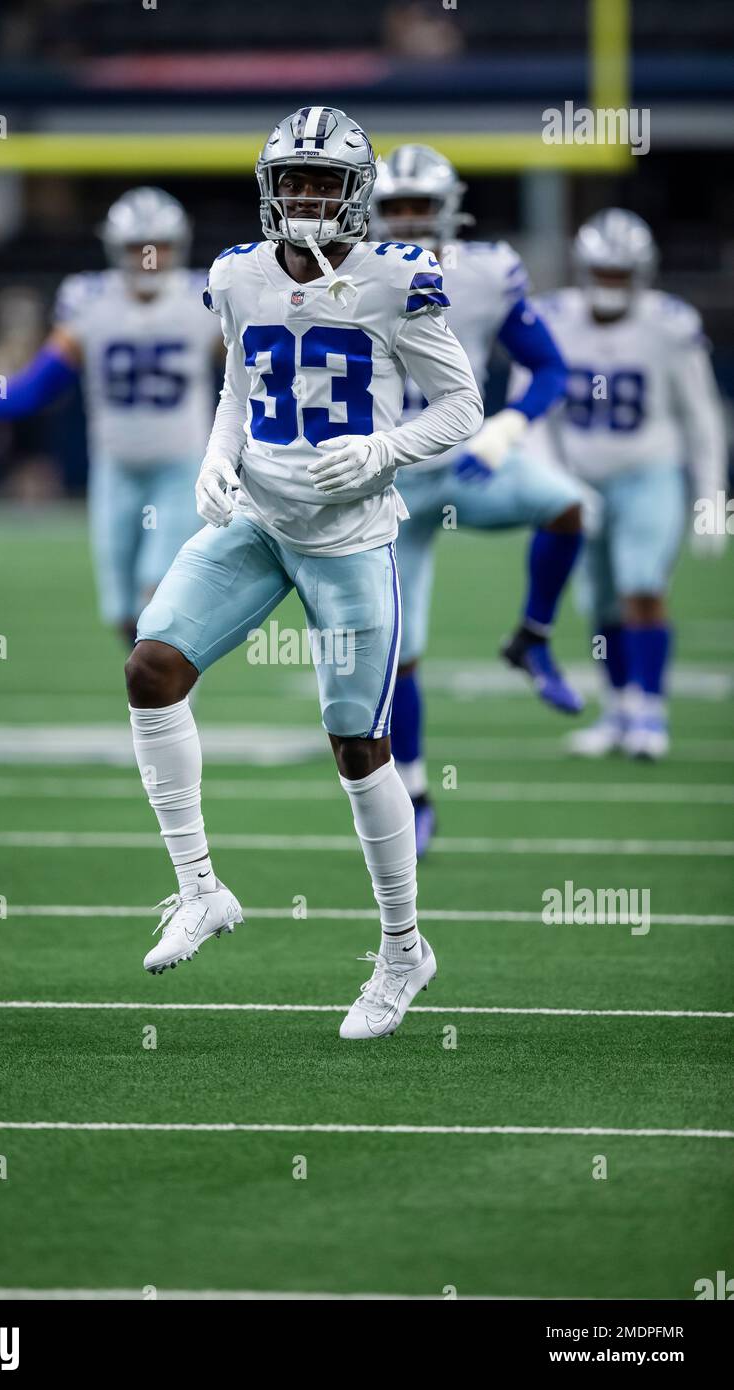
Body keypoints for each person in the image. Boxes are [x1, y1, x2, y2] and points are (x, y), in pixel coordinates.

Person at [124, 107, 483, 1040]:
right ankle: (201, 890)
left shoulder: (395, 280)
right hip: (257, 518)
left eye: (325, 182)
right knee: (150, 669)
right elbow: (240, 384)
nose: (307, 196)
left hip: (351, 538)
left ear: (356, 194)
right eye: (294, 179)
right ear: (268, 185)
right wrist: (218, 456)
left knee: (358, 747)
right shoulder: (235, 273)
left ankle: (404, 951)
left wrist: (382, 451)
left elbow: (461, 406)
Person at [370, 145, 583, 852]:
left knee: (570, 508)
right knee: (397, 651)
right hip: (387, 479)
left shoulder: (485, 272)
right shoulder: (343, 272)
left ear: (447, 210)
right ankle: (418, 790)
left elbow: (549, 365)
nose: (405, 222)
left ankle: (532, 639)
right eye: (394, 208)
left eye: (418, 208)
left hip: (470, 464)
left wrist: (511, 426)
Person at [0, 187, 222, 644]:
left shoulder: (202, 298)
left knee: (158, 594)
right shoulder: (91, 299)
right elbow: (45, 382)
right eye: (136, 247)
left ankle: (173, 704)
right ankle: (152, 692)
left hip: (182, 469)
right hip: (116, 469)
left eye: (159, 246)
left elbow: (249, 374)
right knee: (123, 610)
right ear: (115, 249)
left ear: (177, 245)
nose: (148, 258)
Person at [516, 209, 728, 760]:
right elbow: (529, 411)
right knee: (600, 601)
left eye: (621, 274)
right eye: (604, 273)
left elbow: (701, 417)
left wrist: (712, 500)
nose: (611, 284)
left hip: (649, 470)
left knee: (642, 586)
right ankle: (618, 709)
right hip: (578, 475)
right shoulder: (552, 316)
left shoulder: (668, 324)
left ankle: (650, 713)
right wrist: (553, 480)